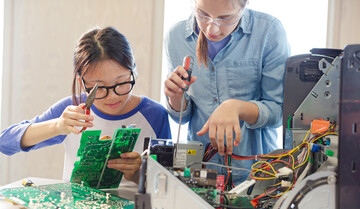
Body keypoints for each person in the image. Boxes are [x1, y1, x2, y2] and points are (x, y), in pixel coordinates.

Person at [0, 26, 171, 185]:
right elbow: (5, 142)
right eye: (99, 88)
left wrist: (137, 175)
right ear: (82, 83)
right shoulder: (73, 110)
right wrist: (58, 126)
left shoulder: (155, 115)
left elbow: (167, 183)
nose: (112, 96)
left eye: (121, 83)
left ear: (133, 71)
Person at [164, 0, 290, 185]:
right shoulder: (175, 37)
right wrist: (175, 97)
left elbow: (280, 112)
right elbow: (182, 118)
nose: (212, 29)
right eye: (202, 14)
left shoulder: (269, 32)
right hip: (199, 173)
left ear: (244, 7)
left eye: (225, 18)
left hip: (255, 175)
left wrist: (237, 108)